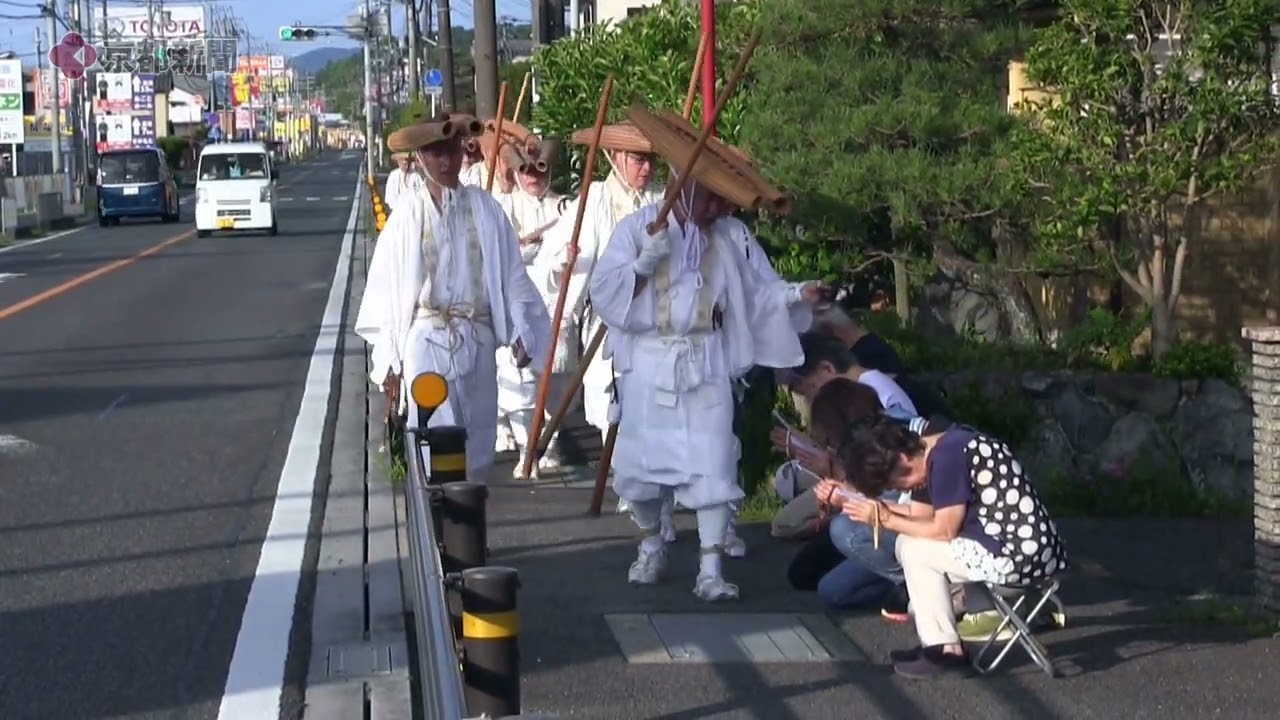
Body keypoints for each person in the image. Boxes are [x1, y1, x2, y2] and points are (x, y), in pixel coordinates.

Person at [587, 105, 827, 600]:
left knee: (715, 461)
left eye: (727, 201)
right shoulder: (638, 229)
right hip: (651, 363)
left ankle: (712, 569)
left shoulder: (732, 236)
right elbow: (603, 294)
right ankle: (652, 544)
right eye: (714, 198)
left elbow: (761, 291)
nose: (721, 209)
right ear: (686, 183)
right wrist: (638, 267)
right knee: (640, 474)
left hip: (708, 361)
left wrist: (797, 294)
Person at [354, 113, 552, 483]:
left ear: (463, 153)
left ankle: (469, 526)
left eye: (451, 152)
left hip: (476, 339)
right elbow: (387, 289)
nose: (445, 162)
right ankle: (441, 523)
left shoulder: (486, 208)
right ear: (422, 158)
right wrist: (390, 359)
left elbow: (512, 274)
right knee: (437, 438)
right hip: (425, 342)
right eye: (435, 154)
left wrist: (522, 328)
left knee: (477, 442)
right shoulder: (407, 214)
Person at [838, 418, 1068, 679]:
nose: (900, 490)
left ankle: (945, 649)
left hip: (1019, 558)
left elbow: (943, 529)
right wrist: (870, 509)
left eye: (895, 484)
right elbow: (920, 515)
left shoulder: (947, 459)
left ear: (903, 460)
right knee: (909, 543)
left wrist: (886, 519)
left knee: (915, 549)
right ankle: (939, 644)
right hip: (1027, 550)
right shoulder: (946, 448)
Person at [532, 122, 670, 528]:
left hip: (655, 322)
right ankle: (631, 482)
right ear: (615, 158)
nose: (645, 168)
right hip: (610, 321)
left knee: (652, 406)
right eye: (637, 159)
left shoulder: (663, 199)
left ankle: (645, 485)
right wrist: (566, 260)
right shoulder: (594, 200)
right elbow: (564, 255)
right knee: (611, 406)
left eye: (649, 160)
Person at [494, 131, 570, 476]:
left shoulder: (564, 207)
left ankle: (550, 442)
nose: (532, 178)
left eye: (538, 171)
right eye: (525, 172)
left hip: (556, 301)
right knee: (518, 377)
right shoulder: (504, 206)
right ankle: (527, 450)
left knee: (555, 377)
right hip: (519, 301)